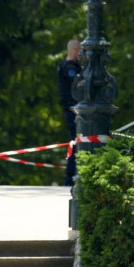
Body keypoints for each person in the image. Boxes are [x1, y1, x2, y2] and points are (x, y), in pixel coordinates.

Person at [57, 38, 81, 186]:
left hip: (72, 110)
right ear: (75, 50)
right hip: (73, 110)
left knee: (77, 142)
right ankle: (71, 176)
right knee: (76, 142)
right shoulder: (69, 68)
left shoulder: (63, 66)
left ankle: (72, 175)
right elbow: (77, 82)